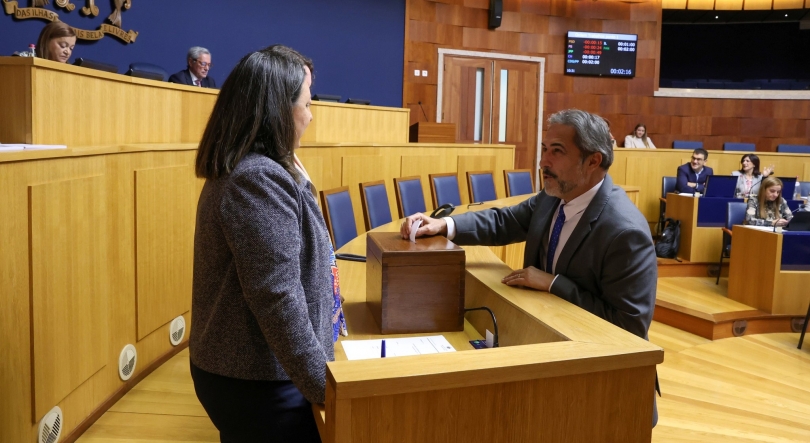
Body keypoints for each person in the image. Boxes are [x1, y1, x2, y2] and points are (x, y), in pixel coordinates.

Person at [400, 109, 659, 426]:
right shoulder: (555, 196)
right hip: (550, 363)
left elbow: (628, 328)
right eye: (544, 149)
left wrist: (553, 283)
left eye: (557, 151)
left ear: (593, 161)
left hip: (606, 393)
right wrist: (444, 224)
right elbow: (503, 221)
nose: (543, 162)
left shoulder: (624, 232)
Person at [191, 45, 344, 442]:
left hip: (258, 372)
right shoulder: (255, 179)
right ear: (278, 110)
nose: (310, 116)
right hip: (258, 380)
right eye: (306, 104)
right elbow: (277, 297)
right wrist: (325, 389)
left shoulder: (257, 169)